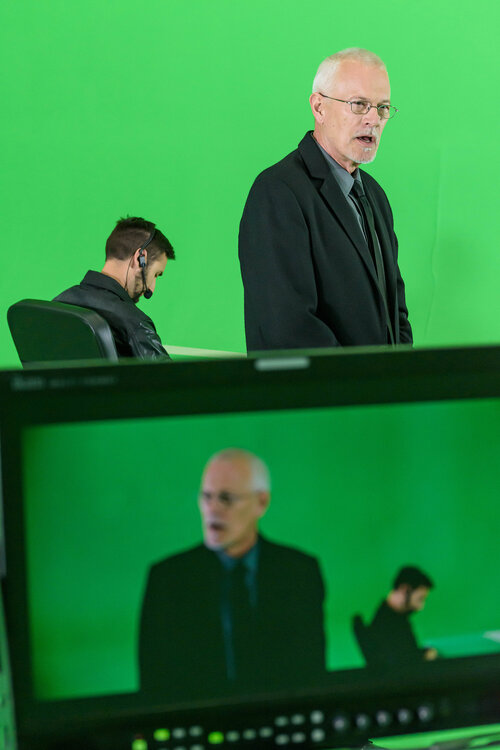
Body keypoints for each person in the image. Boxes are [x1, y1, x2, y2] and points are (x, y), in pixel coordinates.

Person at [239, 47, 412, 352]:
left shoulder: (375, 195)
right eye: (359, 104)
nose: (374, 119)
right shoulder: (278, 192)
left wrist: (399, 374)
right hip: (321, 384)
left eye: (383, 107)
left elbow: (395, 315)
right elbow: (287, 329)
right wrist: (362, 379)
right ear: (319, 107)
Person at [138, 449, 326, 700]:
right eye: (206, 497)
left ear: (261, 502)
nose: (212, 509)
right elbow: (154, 687)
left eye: (226, 498)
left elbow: (311, 676)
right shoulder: (167, 580)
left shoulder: (299, 572)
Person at [54, 216, 175, 359]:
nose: (151, 289)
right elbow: (166, 374)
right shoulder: (135, 324)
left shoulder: (58, 303)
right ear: (140, 258)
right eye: (156, 274)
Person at [366, 566, 438, 668]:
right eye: (420, 599)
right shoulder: (388, 625)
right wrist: (426, 656)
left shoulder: (393, 618)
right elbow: (404, 663)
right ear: (405, 590)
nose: (420, 607)